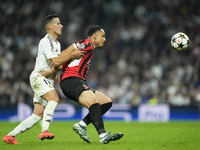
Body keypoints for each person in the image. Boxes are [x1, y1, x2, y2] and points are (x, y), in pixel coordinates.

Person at [3, 14, 85, 145]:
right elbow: (56, 61)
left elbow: (56, 65)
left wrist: (56, 68)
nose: (61, 26)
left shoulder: (57, 44)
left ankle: (10, 136)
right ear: (50, 26)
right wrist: (72, 54)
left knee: (37, 114)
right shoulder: (46, 41)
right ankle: (44, 131)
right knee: (54, 99)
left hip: (46, 79)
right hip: (39, 77)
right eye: (58, 23)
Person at [60, 25, 123, 144]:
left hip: (76, 81)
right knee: (93, 103)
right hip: (72, 80)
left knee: (106, 102)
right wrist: (57, 63)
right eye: (103, 36)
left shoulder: (89, 49)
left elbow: (66, 60)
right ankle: (103, 135)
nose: (105, 39)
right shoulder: (88, 44)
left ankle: (82, 125)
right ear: (95, 36)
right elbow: (64, 54)